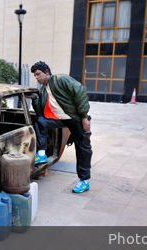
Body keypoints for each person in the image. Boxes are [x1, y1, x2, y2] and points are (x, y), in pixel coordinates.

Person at [28, 61, 92, 193]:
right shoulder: (43, 90)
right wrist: (35, 98)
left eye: (38, 74)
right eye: (35, 76)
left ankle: (84, 181)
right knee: (40, 121)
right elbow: (40, 112)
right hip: (61, 120)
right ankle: (41, 154)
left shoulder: (60, 79)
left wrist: (84, 117)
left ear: (46, 72)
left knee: (82, 148)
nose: (37, 78)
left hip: (75, 119)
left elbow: (79, 91)